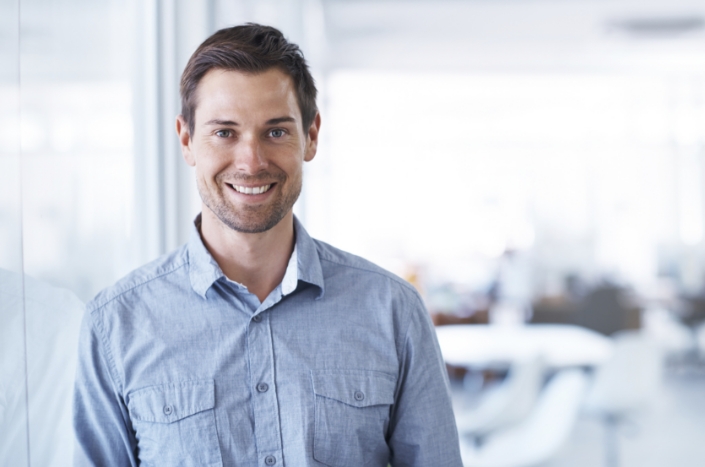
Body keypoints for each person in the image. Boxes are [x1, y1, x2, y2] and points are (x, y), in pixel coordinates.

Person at [73, 23, 462, 467]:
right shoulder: (115, 325)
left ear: (311, 136)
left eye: (275, 132)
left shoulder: (393, 312)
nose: (251, 162)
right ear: (186, 140)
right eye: (225, 132)